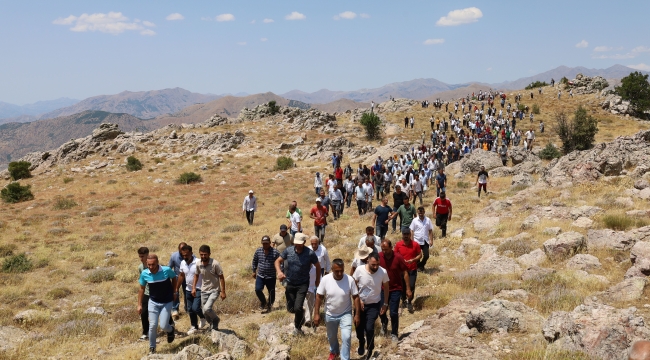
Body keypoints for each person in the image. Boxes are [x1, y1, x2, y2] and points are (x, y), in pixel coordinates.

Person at [313, 259, 361, 360]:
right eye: (337, 271)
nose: (339, 273)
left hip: (345, 313)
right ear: (332, 269)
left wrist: (357, 315)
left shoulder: (349, 280)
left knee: (346, 337)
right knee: (332, 336)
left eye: (341, 270)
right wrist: (316, 314)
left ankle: (345, 358)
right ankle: (334, 352)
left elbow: (356, 297)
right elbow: (318, 296)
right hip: (330, 314)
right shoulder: (326, 279)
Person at [275, 233, 321, 335]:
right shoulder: (289, 250)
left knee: (297, 307)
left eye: (300, 244)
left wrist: (317, 280)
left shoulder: (309, 253)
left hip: (303, 284)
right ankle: (301, 313)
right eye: (296, 243)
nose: (298, 245)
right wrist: (279, 272)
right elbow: (277, 261)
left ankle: (298, 327)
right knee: (291, 308)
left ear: (304, 242)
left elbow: (318, 266)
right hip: (290, 283)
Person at [138, 254, 177, 354]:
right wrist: (139, 305)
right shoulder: (144, 273)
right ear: (146, 264)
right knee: (153, 325)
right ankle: (152, 348)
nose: (151, 267)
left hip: (166, 302)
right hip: (153, 302)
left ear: (157, 263)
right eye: (149, 265)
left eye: (153, 265)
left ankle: (170, 330)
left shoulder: (166, 270)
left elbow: (174, 278)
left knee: (164, 326)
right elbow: (141, 289)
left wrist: (174, 292)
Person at [352, 252, 389, 359]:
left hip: (374, 305)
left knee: (369, 328)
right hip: (360, 305)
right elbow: (353, 285)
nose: (375, 267)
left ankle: (370, 348)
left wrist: (385, 304)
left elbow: (386, 287)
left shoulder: (383, 272)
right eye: (373, 264)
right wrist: (358, 299)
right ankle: (361, 341)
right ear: (368, 260)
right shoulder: (359, 270)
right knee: (359, 327)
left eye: (377, 264)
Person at [379, 240, 412, 342]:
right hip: (383, 289)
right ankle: (384, 323)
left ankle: (394, 333)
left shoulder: (398, 257)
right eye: (383, 249)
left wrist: (408, 288)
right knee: (381, 311)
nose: (384, 251)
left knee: (393, 312)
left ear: (391, 247)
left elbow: (405, 273)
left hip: (396, 289)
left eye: (386, 249)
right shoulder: (379, 256)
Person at [192, 245, 226, 331]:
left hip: (214, 290)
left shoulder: (215, 264)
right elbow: (196, 276)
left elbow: (221, 277)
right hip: (204, 290)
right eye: (201, 254)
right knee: (204, 312)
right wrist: (193, 288)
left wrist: (223, 291)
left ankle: (216, 319)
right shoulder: (198, 264)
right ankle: (212, 325)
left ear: (209, 254)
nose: (203, 256)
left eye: (205, 254)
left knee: (207, 308)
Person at [175, 244, 206, 334]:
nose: (185, 257)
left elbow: (205, 275)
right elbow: (181, 275)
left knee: (195, 308)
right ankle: (194, 326)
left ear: (191, 253)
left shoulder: (198, 262)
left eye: (186, 255)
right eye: (183, 255)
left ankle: (203, 317)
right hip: (188, 289)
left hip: (199, 288)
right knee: (190, 309)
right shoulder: (183, 263)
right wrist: (177, 287)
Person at [394, 229, 421, 313]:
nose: (406, 236)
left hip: (412, 269)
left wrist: (413, 260)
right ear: (402, 235)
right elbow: (395, 255)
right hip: (401, 270)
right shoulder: (398, 245)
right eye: (404, 234)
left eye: (407, 234)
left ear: (410, 235)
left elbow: (420, 255)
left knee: (411, 285)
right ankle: (403, 300)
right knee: (402, 286)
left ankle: (409, 301)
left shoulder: (415, 244)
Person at [252, 236, 280, 313]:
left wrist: (280, 272)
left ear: (270, 243)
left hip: (271, 276)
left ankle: (269, 305)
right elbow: (254, 261)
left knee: (271, 292)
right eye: (264, 244)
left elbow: (280, 263)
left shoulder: (275, 252)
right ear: (262, 243)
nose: (265, 245)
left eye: (267, 243)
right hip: (260, 275)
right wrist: (254, 271)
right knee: (258, 290)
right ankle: (263, 302)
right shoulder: (258, 251)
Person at [409, 207, 434, 272]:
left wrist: (431, 240)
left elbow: (430, 230)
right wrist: (412, 240)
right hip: (417, 241)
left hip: (425, 240)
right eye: (419, 213)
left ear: (424, 212)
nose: (420, 214)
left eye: (421, 213)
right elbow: (412, 230)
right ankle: (419, 268)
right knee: (418, 256)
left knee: (426, 255)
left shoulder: (428, 220)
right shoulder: (415, 220)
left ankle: (421, 265)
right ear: (417, 212)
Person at [168, 242, 187, 320]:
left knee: (187, 293)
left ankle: (188, 309)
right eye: (181, 249)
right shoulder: (174, 256)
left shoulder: (191, 256)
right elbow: (169, 267)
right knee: (175, 293)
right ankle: (175, 309)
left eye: (184, 249)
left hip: (187, 278)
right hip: (176, 277)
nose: (182, 251)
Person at [137, 247, 150, 341]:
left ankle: (170, 323)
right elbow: (142, 284)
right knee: (144, 313)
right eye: (140, 256)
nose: (141, 258)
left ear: (147, 255)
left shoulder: (155, 265)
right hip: (146, 293)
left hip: (157, 293)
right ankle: (146, 332)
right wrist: (139, 303)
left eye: (143, 256)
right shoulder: (140, 268)